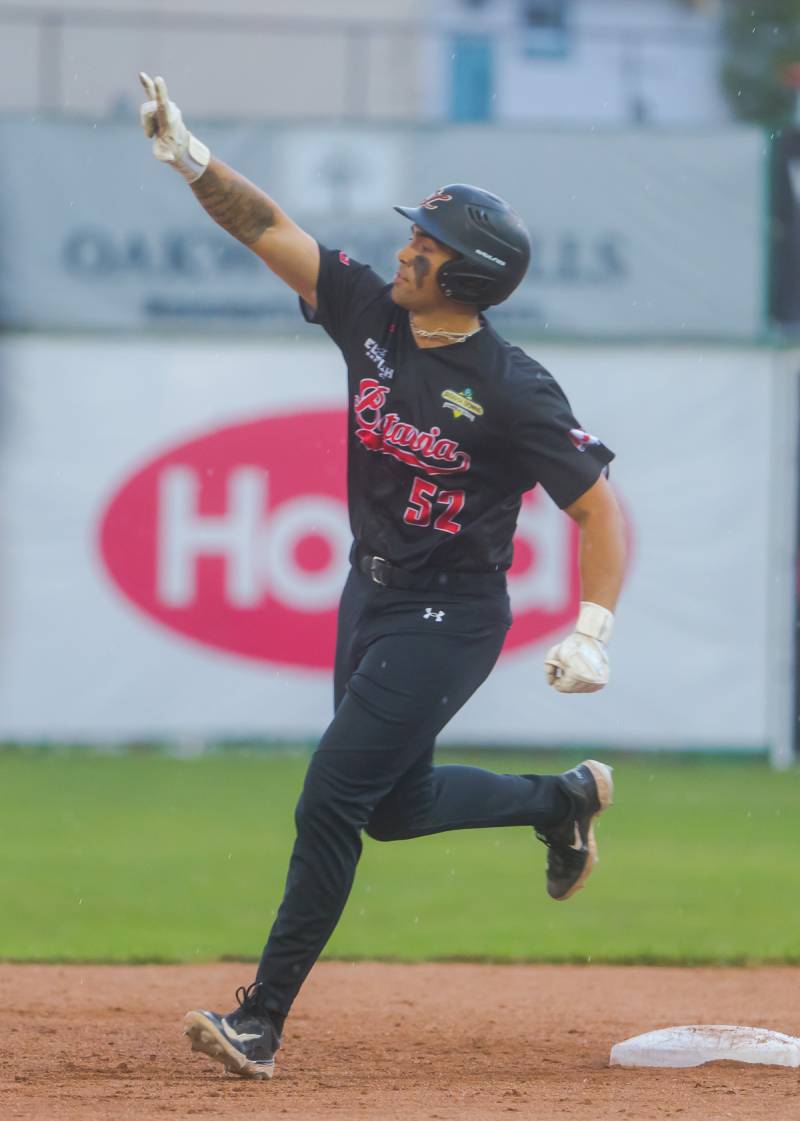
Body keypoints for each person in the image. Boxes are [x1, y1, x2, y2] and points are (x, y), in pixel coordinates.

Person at [138, 74, 627, 1081]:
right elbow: (266, 225)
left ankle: (259, 1018)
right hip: (370, 594)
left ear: (468, 274)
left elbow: (594, 507)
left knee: (328, 799)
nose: (407, 246)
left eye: (429, 242)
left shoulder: (510, 387)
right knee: (390, 806)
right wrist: (192, 159)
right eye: (415, 233)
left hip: (451, 613)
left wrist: (591, 627)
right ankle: (559, 799)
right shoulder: (369, 311)